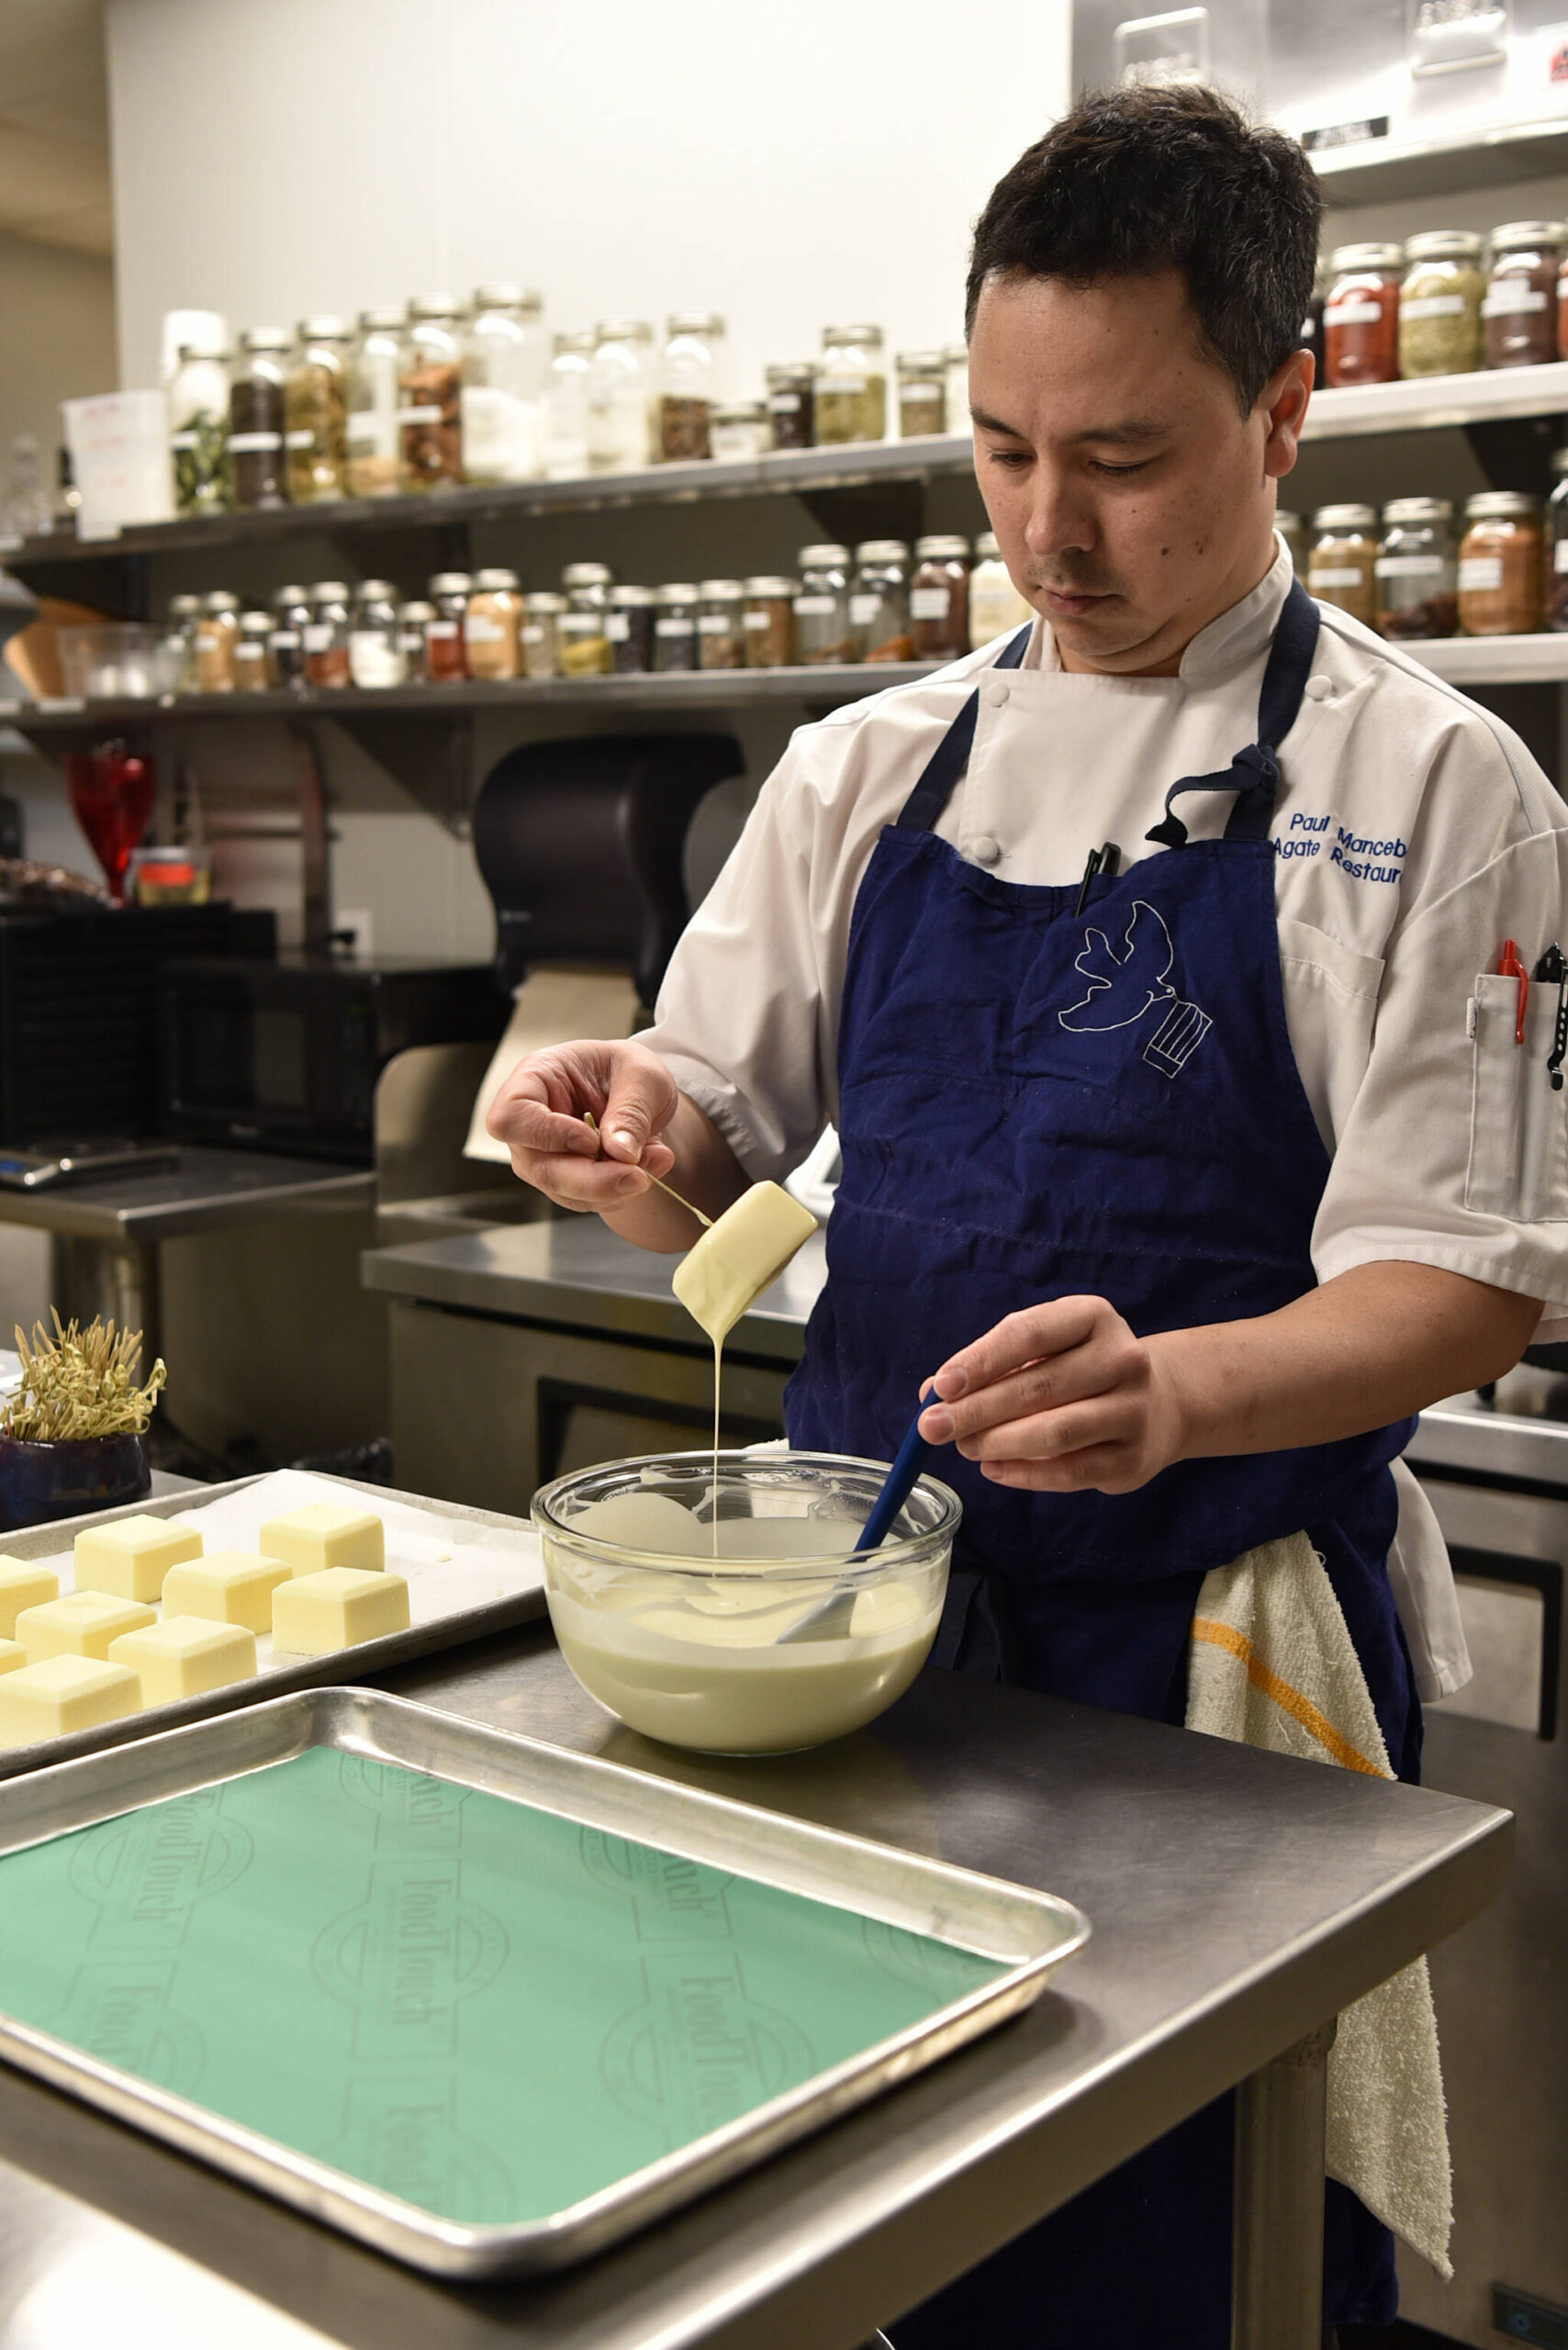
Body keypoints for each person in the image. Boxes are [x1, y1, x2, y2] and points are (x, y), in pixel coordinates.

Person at [487, 83, 1568, 2347]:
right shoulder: (872, 766)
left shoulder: (1428, 789)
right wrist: (623, 1122)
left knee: (1193, 2252)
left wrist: (1176, 1388)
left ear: (1288, 409)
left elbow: (1457, 1277)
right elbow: (714, 1107)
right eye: (1000, 450)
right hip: (869, 1629)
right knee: (861, 2233)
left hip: (1206, 1656)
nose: (1044, 532)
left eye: (1124, 456)